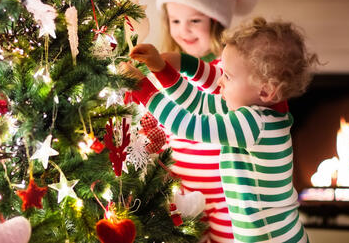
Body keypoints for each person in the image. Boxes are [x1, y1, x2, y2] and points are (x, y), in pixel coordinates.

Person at [125, 17, 318, 242]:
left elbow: (189, 125)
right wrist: (165, 69)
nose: (220, 82)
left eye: (227, 76)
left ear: (266, 91)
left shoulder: (254, 125)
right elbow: (200, 104)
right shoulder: (260, 109)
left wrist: (144, 90)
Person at [148, 0, 258, 243]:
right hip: (181, 189)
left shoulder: (228, 70)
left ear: (215, 20)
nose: (184, 30)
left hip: (225, 191)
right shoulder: (163, 71)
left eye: (194, 20)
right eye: (175, 21)